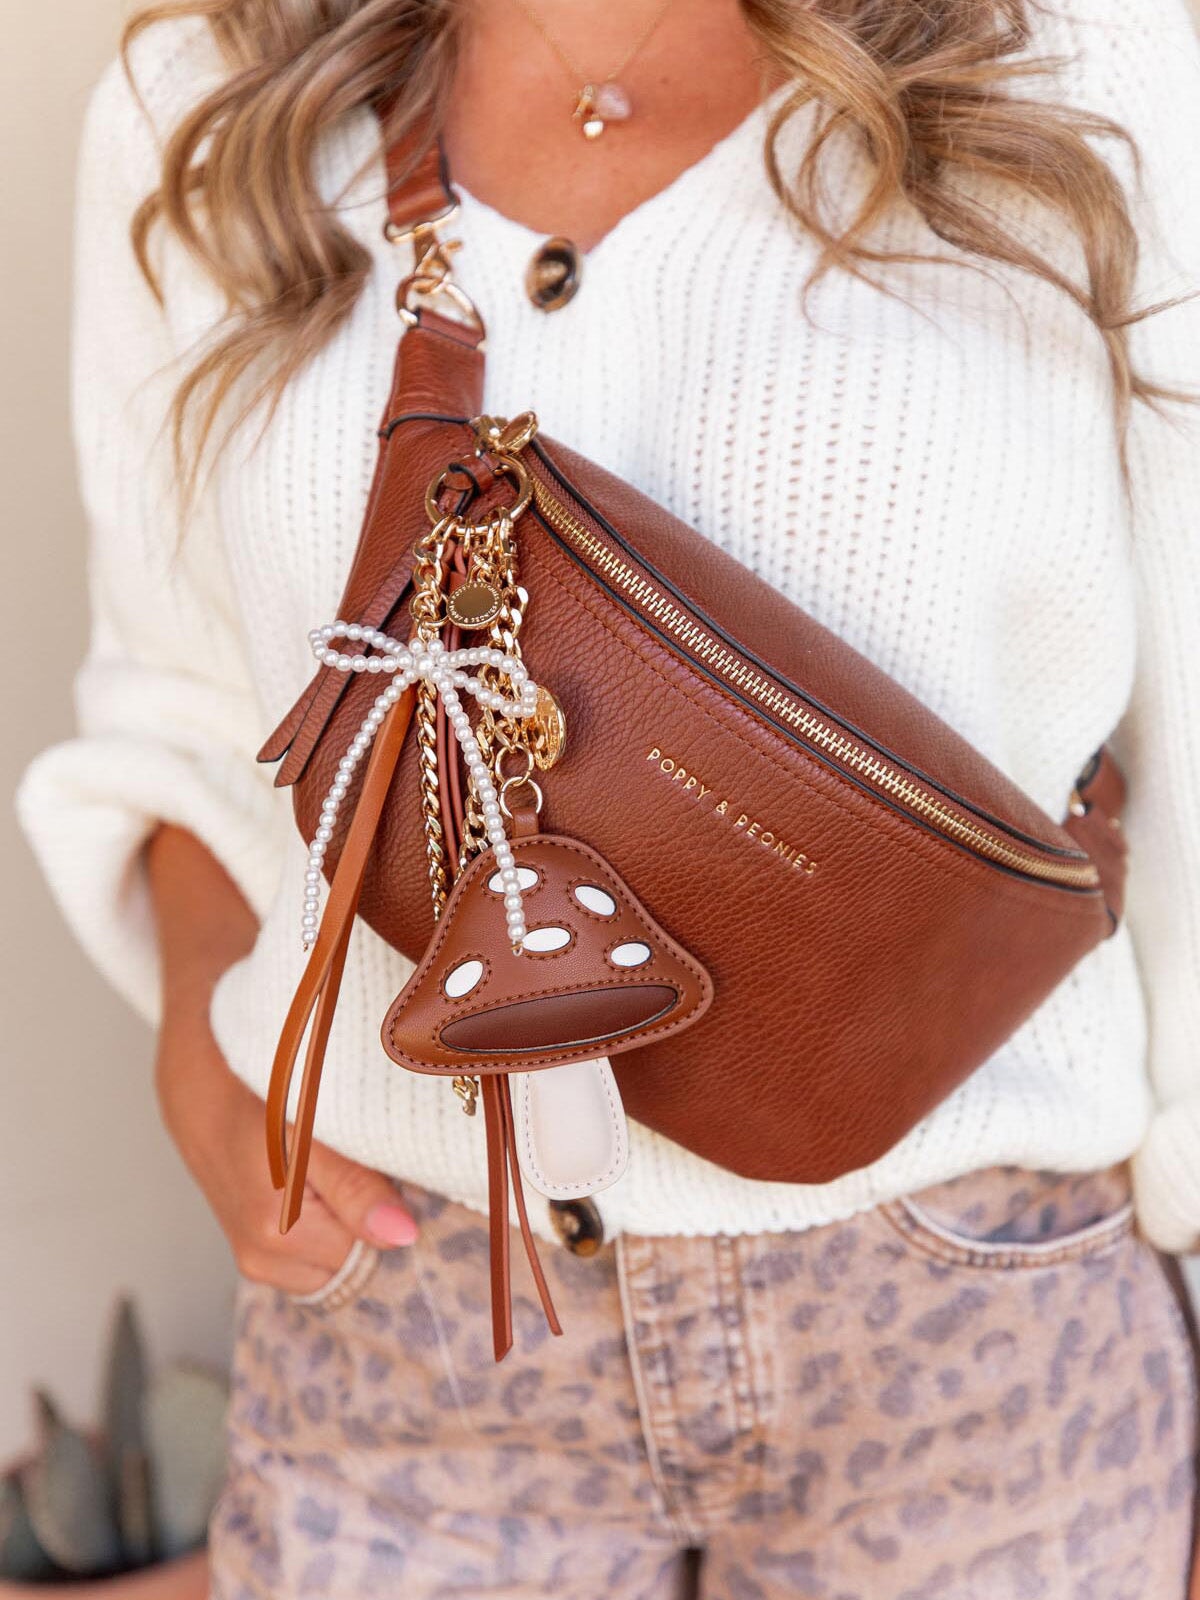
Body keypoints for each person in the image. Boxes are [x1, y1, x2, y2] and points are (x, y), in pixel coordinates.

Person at [18, 0, 1200, 1591]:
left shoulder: (1096, 63)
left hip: (967, 1314)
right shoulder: (208, 99)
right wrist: (199, 1060)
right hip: (413, 1314)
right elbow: (179, 695)